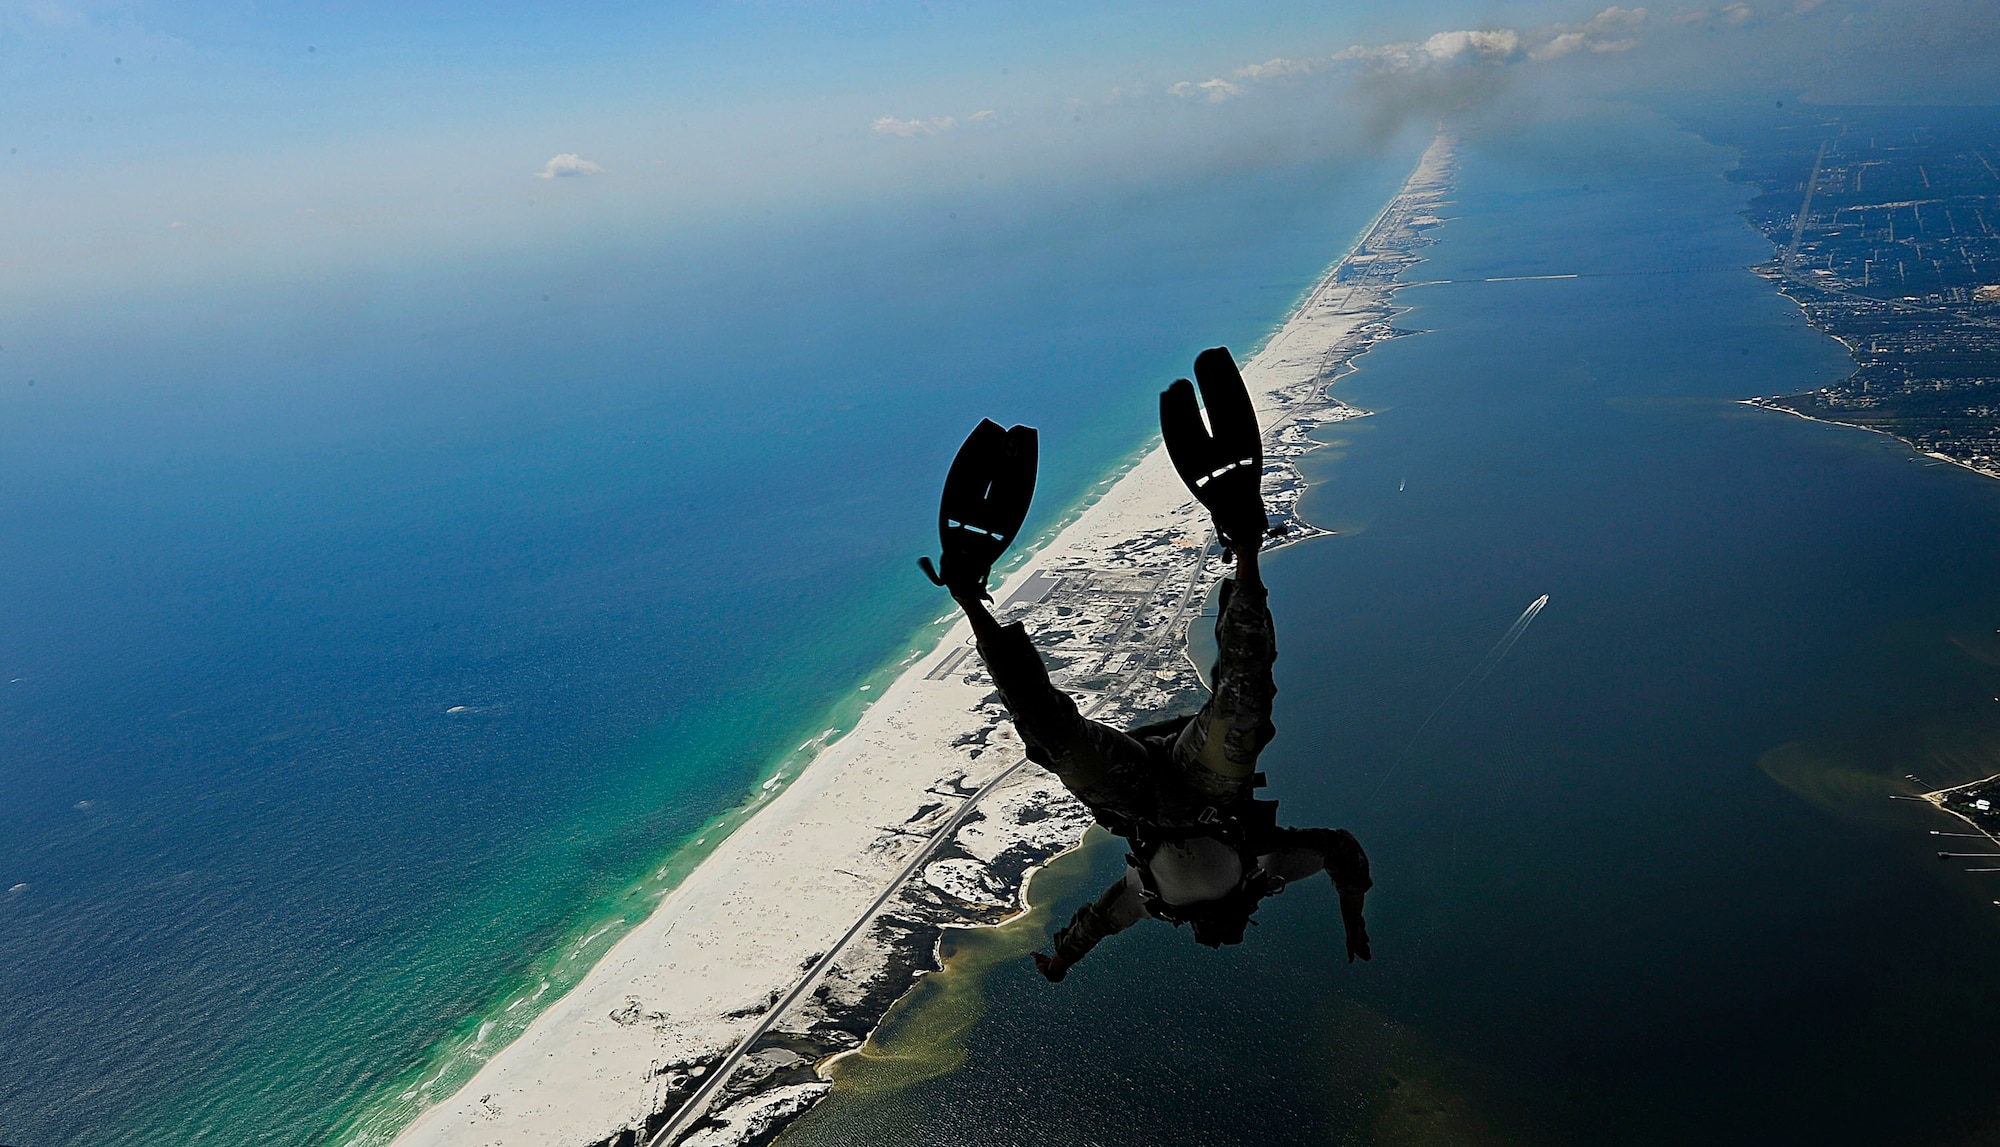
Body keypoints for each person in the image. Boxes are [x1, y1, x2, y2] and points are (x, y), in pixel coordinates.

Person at [920, 347, 1372, 983]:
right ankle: (1243, 541)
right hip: (1205, 785)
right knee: (1242, 698)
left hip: (1139, 799)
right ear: (1240, 903)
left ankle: (969, 596)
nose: (1219, 928)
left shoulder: (1152, 899)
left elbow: (1092, 925)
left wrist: (1060, 961)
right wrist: (1352, 916)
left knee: (1053, 738)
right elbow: (1341, 852)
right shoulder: (1258, 873)